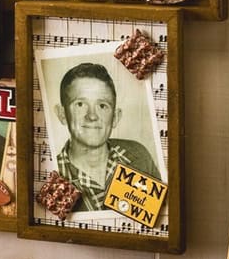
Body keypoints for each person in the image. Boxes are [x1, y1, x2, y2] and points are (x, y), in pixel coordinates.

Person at [54, 62, 160, 211]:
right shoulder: (54, 175)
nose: (92, 116)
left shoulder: (139, 156)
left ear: (115, 117)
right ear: (62, 114)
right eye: (80, 104)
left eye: (102, 106)